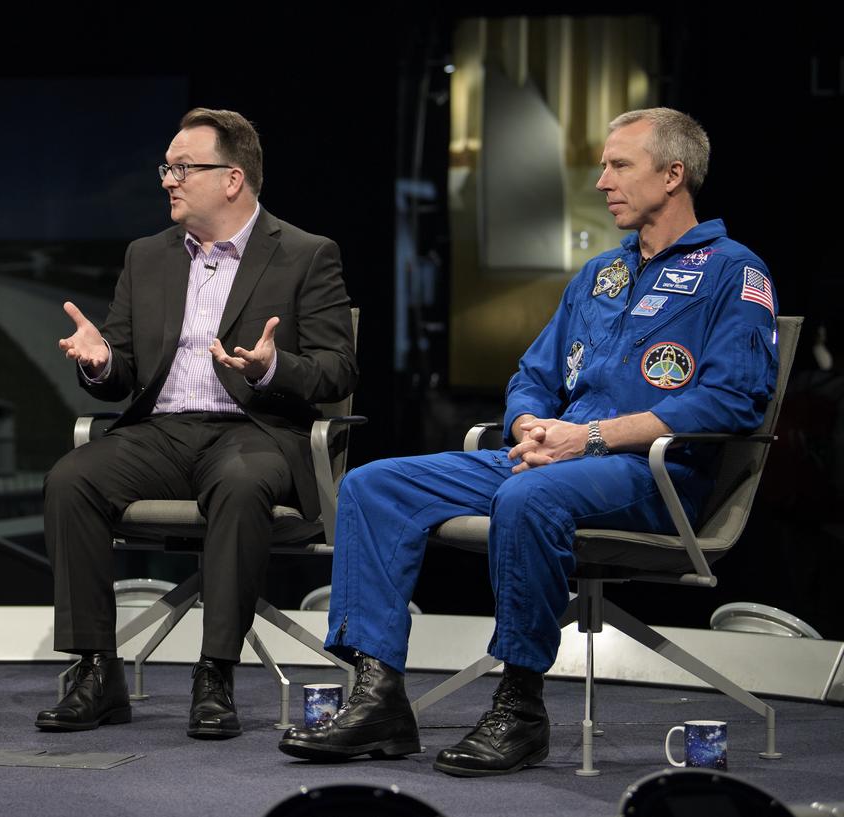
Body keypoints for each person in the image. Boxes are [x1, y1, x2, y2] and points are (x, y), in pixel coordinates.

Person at [278, 108, 779, 774]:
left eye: (619, 165)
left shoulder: (734, 272)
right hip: (556, 459)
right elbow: (533, 375)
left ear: (673, 173)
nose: (601, 181)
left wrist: (590, 437)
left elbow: (732, 399)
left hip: (655, 477)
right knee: (376, 485)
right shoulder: (600, 274)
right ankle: (379, 695)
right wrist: (530, 427)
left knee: (528, 496)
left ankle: (520, 706)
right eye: (603, 165)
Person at [37, 108, 357, 739]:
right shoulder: (148, 255)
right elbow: (124, 367)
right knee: (70, 479)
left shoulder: (304, 254)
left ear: (232, 178)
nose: (168, 180)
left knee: (239, 485)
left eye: (182, 168)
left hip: (255, 430)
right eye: (167, 167)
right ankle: (97, 670)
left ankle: (215, 674)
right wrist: (102, 363)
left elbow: (336, 371)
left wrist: (271, 368)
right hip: (159, 432)